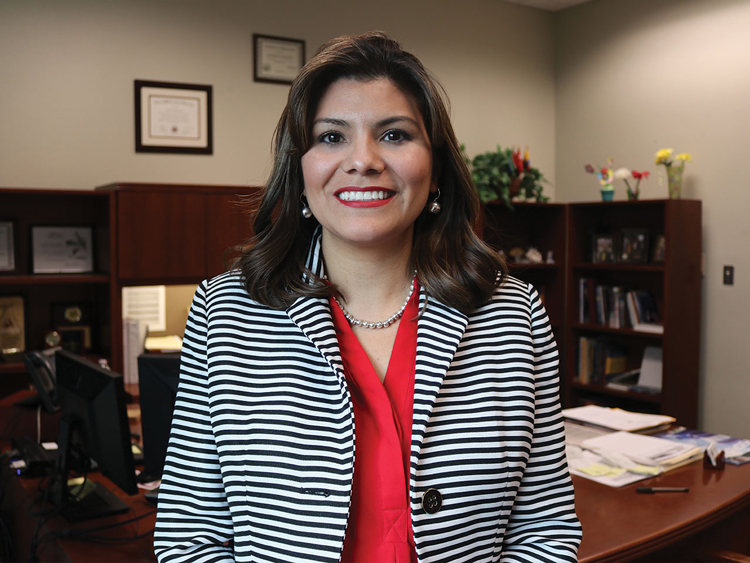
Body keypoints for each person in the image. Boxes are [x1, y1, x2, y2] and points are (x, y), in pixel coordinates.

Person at [154, 32, 582, 563]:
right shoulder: (227, 312)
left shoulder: (513, 313)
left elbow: (545, 531)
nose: (364, 160)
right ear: (300, 168)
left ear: (436, 168)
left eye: (396, 135)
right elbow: (189, 537)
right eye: (331, 137)